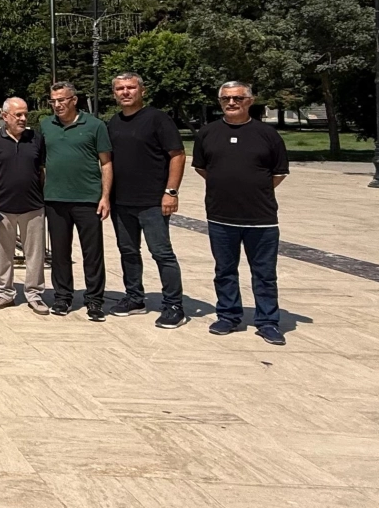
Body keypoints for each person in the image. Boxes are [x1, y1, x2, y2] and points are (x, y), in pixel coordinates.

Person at [193, 81, 289, 345]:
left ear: (250, 101)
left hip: (261, 218)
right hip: (220, 216)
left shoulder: (267, 134)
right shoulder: (207, 133)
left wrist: (254, 189)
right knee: (224, 270)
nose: (231, 103)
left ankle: (267, 321)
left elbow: (279, 172)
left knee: (264, 274)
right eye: (226, 99)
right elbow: (202, 168)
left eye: (237, 98)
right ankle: (228, 315)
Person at [107, 72, 188, 328]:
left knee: (162, 253)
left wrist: (171, 192)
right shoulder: (113, 122)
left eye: (131, 87)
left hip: (153, 201)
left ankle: (173, 305)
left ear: (142, 91)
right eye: (120, 88)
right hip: (121, 201)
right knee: (128, 251)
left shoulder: (157, 119)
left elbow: (178, 155)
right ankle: (134, 298)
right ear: (114, 93)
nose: (125, 92)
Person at [42, 81, 112, 320]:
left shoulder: (95, 125)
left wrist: (105, 197)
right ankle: (62, 297)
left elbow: (106, 163)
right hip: (55, 199)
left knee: (92, 253)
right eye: (53, 101)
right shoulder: (46, 125)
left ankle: (95, 300)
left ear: (74, 100)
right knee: (60, 253)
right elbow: (41, 162)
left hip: (87, 199)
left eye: (61, 100)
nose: (57, 105)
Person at [0, 97, 49, 314]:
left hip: (33, 206)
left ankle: (34, 294)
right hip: (3, 207)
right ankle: (5, 293)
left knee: (35, 254)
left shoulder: (36, 138)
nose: (23, 118)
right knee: (3, 253)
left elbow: (42, 170)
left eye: (25, 114)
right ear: (5, 116)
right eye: (18, 115)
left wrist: (42, 195)